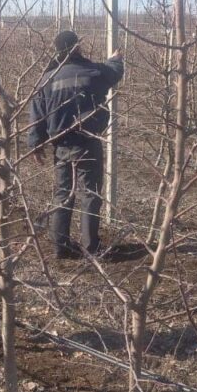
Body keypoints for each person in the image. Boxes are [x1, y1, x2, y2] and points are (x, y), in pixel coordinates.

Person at [28, 30, 124, 259]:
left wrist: (35, 144)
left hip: (60, 145)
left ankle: (59, 245)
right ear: (76, 48)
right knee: (90, 194)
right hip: (88, 143)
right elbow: (111, 73)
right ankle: (91, 247)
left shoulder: (47, 79)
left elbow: (37, 115)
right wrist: (116, 59)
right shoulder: (91, 72)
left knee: (63, 193)